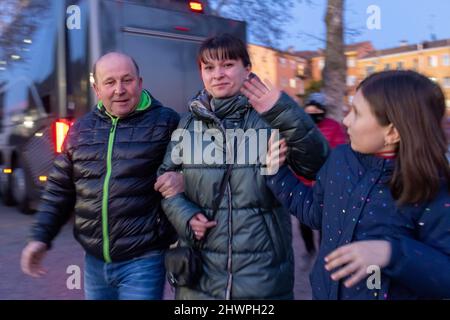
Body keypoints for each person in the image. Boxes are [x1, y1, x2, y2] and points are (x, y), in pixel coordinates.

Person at [156, 33, 329, 300]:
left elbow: (316, 165)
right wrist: (186, 215)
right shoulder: (188, 124)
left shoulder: (270, 117)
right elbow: (166, 184)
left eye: (227, 65)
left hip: (261, 273)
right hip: (199, 275)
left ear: (247, 69)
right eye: (209, 67)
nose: (218, 75)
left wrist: (284, 112)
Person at [266, 70, 450, 299]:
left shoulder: (432, 187)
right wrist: (276, 173)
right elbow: (315, 212)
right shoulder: (341, 159)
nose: (346, 120)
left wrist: (392, 253)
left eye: (357, 113)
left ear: (392, 132)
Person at [20, 52, 182, 300]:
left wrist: (182, 179)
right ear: (97, 88)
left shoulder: (167, 122)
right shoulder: (80, 130)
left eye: (127, 80)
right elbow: (59, 190)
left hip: (143, 261)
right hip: (94, 262)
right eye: (110, 82)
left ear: (140, 82)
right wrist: (40, 237)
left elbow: (197, 172)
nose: (119, 90)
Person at [299, 92, 347, 253]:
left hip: (325, 183)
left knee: (323, 221)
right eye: (309, 113)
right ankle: (309, 249)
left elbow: (339, 151)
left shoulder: (333, 126)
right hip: (303, 183)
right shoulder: (300, 126)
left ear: (323, 111)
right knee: (303, 220)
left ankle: (322, 251)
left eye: (317, 113)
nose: (313, 116)